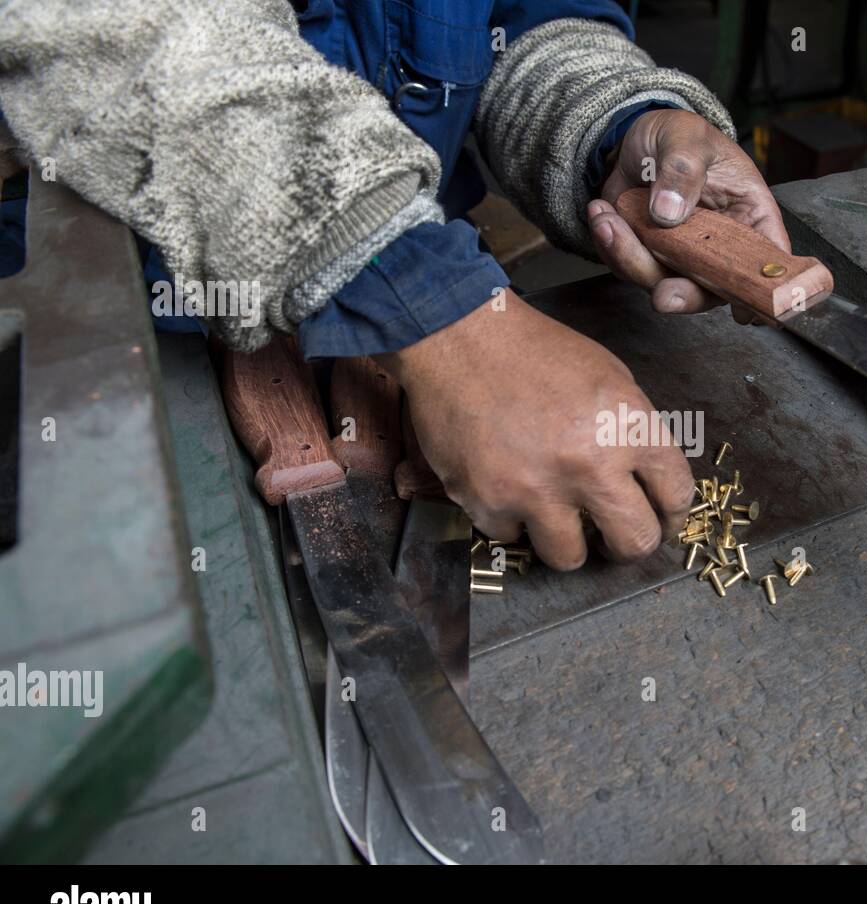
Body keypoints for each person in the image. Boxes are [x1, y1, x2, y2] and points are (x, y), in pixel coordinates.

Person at [0, 0, 791, 569]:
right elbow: (118, 34)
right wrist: (451, 320)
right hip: (88, 344)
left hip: (393, 326)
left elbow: (510, 21)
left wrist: (610, 126)